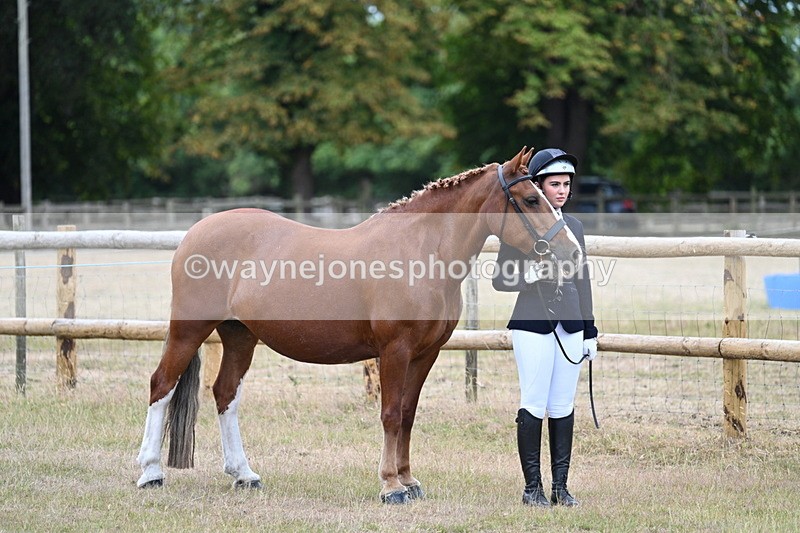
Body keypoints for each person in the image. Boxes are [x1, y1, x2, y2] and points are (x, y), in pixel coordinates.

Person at [492, 148, 598, 508]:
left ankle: (561, 487)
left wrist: (589, 330)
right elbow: (499, 280)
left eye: (566, 184)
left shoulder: (576, 228)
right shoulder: (519, 223)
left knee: (563, 404)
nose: (562, 190)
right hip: (532, 322)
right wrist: (528, 275)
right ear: (538, 186)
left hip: (569, 323)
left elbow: (582, 280)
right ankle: (531, 487)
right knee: (534, 403)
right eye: (554, 184)